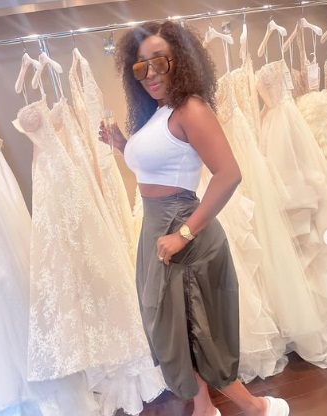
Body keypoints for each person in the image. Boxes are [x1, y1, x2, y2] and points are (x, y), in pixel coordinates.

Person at [102, 21, 289, 416]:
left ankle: (256, 407)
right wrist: (121, 144)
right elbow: (159, 166)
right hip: (158, 231)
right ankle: (204, 409)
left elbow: (229, 174)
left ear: (180, 60)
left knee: (199, 335)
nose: (150, 74)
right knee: (175, 333)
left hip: (184, 232)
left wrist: (183, 235)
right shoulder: (159, 113)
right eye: (140, 67)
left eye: (159, 62)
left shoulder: (191, 108)